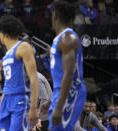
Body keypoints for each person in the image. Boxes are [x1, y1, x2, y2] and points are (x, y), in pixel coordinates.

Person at [40, 1, 87, 130]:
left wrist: (59, 106)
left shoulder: (68, 38)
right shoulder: (59, 39)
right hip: (60, 94)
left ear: (55, 16)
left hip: (71, 93)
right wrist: (51, 102)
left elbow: (69, 74)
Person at [0, 15, 38, 131]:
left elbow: (34, 77)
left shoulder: (23, 47)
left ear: (4, 33)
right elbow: (7, 86)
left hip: (20, 100)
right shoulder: (6, 55)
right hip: (7, 101)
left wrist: (33, 107)